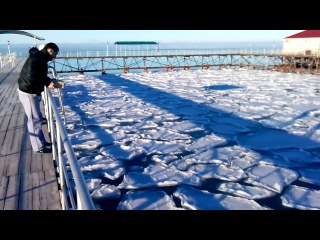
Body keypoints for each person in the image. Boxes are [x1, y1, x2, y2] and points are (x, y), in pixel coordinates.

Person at [17, 42, 59, 154]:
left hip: (31, 90)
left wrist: (48, 80)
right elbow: (32, 76)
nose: (56, 56)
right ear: (50, 50)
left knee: (36, 118)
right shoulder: (38, 58)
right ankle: (38, 147)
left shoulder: (39, 57)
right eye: (55, 53)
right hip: (28, 92)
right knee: (34, 120)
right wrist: (46, 82)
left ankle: (41, 142)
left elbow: (38, 74)